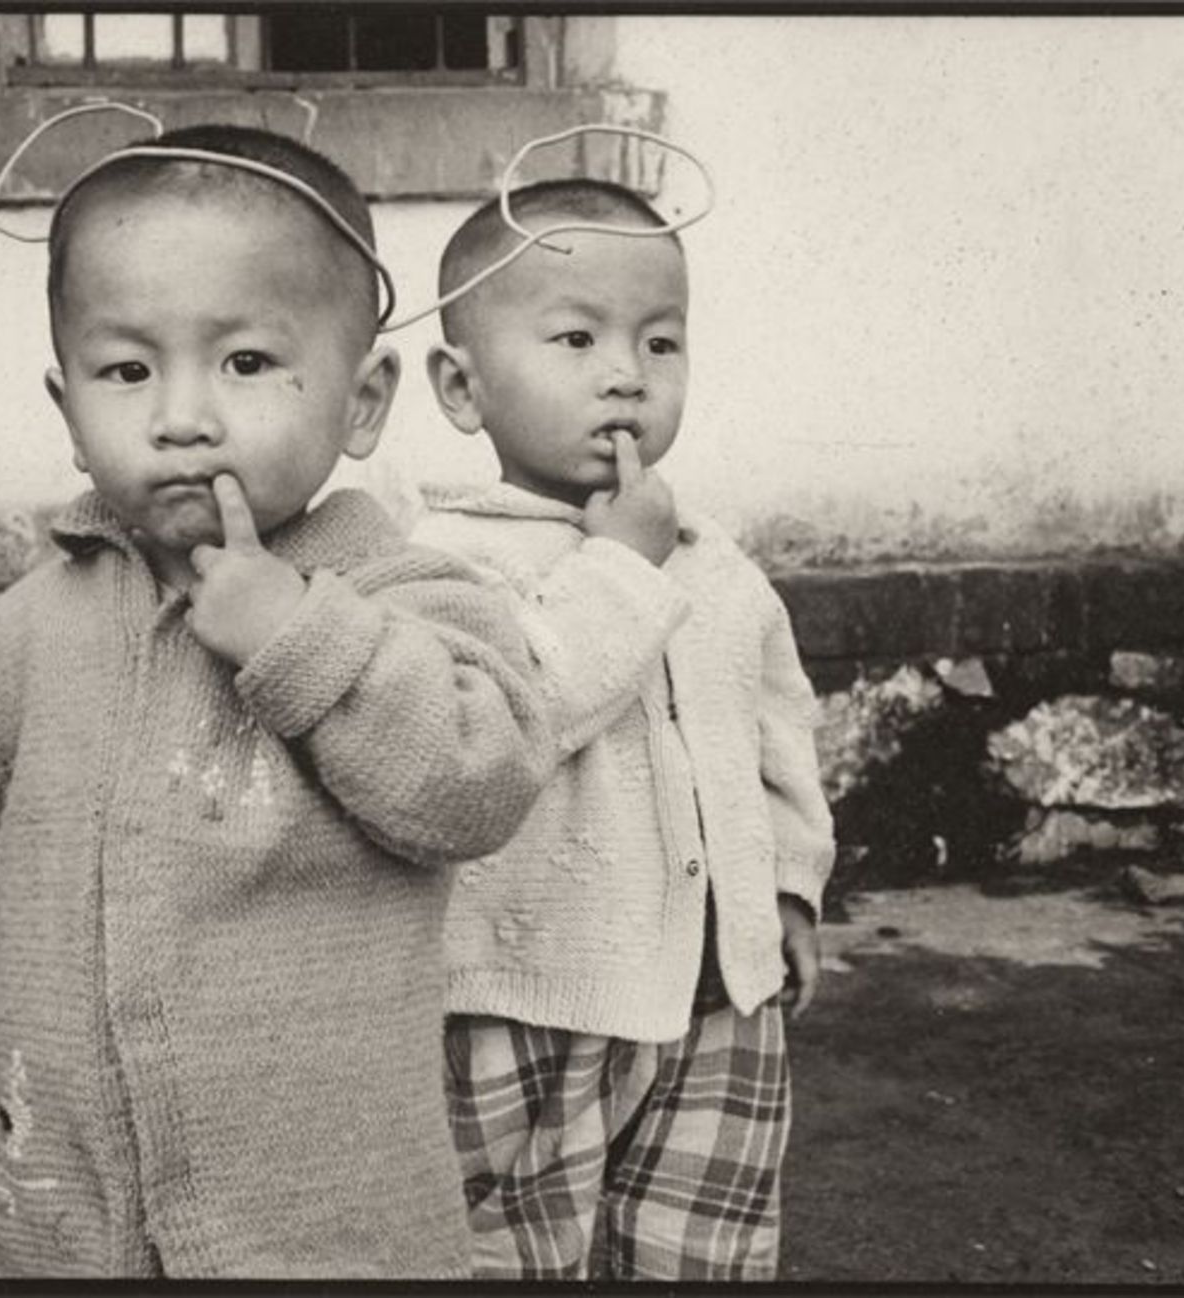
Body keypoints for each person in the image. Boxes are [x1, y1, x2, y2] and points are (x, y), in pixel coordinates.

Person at [0, 123, 552, 1279]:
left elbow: (478, 783)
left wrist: (296, 631)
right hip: (72, 1208)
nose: (180, 415)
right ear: (67, 400)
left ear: (363, 397)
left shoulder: (402, 593)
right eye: (127, 369)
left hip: (331, 1224)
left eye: (245, 362)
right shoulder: (28, 632)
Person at [412, 178, 835, 1280]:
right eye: (574, 337)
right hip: (520, 995)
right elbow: (514, 718)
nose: (625, 375)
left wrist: (787, 883)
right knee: (507, 1251)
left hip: (716, 999)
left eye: (661, 341)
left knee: (706, 1245)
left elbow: (773, 733)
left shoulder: (716, 560)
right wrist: (620, 564)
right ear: (462, 386)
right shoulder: (445, 565)